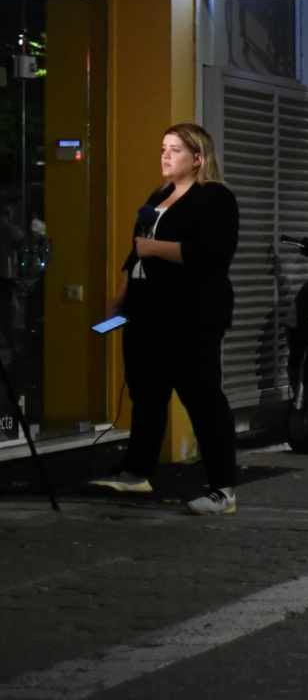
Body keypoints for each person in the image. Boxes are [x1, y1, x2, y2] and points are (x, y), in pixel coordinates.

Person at [89, 124, 242, 515]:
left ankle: (222, 487)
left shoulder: (215, 197)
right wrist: (120, 297)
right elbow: (135, 253)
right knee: (146, 393)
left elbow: (212, 253)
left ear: (198, 157)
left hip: (190, 312)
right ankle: (137, 471)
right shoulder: (158, 196)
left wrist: (155, 248)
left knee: (201, 396)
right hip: (146, 308)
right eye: (163, 148)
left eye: (175, 150)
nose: (165, 156)